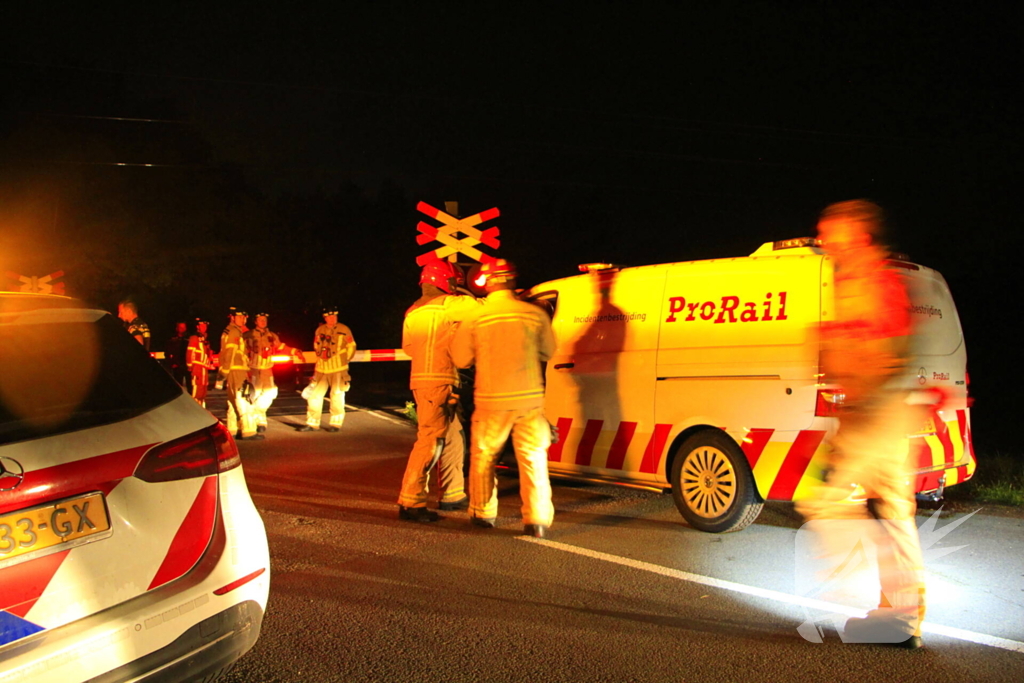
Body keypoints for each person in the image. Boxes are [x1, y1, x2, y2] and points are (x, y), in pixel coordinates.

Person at [795, 199, 926, 648]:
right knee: (892, 512)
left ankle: (856, 595)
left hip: (876, 412)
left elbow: (884, 349)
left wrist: (833, 341)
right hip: (872, 411)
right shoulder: (853, 278)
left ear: (859, 237)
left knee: (825, 504)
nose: (825, 241)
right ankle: (901, 618)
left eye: (833, 234)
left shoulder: (874, 280)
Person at [451, 259, 557, 538]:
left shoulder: (476, 317)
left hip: (491, 400)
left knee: (484, 457)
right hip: (530, 401)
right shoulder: (533, 314)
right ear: (512, 280)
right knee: (534, 459)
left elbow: (461, 358)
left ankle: (483, 513)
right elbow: (548, 351)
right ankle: (537, 521)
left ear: (488, 282)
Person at [397, 259, 481, 522]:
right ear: (445, 281)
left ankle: (453, 493)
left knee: (453, 435)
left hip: (421, 381)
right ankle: (411, 501)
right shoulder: (451, 304)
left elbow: (409, 348)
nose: (456, 286)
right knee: (430, 441)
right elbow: (486, 309)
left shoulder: (412, 312)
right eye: (455, 282)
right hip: (440, 381)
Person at [298, 307, 356, 432]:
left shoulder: (344, 329)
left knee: (337, 396)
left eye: (334, 316)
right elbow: (316, 346)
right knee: (314, 396)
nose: (332, 319)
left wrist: (345, 360)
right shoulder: (320, 330)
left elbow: (352, 346)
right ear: (325, 318)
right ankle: (312, 423)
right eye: (329, 317)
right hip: (321, 369)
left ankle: (335, 423)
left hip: (338, 369)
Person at [217, 307, 260, 440]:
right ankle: (248, 430)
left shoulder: (229, 331)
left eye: (244, 317)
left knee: (232, 400)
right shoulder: (234, 332)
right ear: (232, 317)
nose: (243, 320)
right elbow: (230, 353)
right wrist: (224, 372)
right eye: (240, 317)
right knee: (243, 399)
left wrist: (223, 372)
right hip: (237, 369)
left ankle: (232, 429)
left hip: (233, 370)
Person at [245, 312, 286, 434]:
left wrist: (295, 351)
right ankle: (253, 421)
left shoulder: (272, 335)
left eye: (265, 319)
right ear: (255, 322)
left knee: (270, 393)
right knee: (253, 393)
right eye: (260, 319)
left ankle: (259, 414)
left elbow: (281, 347)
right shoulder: (248, 335)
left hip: (267, 369)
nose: (263, 321)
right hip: (253, 369)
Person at [186, 318, 214, 408]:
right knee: (197, 391)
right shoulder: (194, 338)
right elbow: (190, 352)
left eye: (205, 326)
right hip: (197, 368)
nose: (204, 327)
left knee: (203, 391)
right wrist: (190, 366)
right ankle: (194, 410)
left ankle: (202, 409)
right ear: (197, 326)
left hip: (204, 369)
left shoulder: (204, 338)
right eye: (202, 325)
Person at [165, 321, 190, 388]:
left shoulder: (189, 339)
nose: (182, 329)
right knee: (178, 385)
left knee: (190, 385)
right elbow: (167, 352)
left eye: (184, 327)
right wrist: (172, 363)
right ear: (177, 328)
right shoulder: (172, 340)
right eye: (180, 327)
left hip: (187, 365)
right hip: (177, 366)